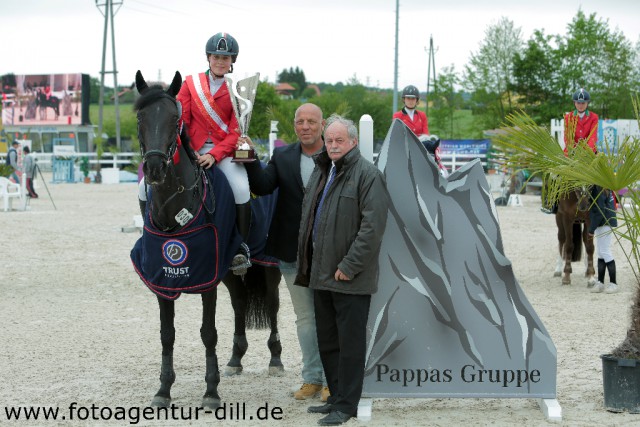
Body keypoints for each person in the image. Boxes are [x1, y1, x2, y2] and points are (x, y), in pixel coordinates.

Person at [296, 114, 389, 425]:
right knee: (329, 341)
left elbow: (372, 228)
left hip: (349, 277)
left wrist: (349, 265)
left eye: (340, 140)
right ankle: (335, 397)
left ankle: (346, 405)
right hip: (321, 275)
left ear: (353, 142)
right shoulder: (323, 170)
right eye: (330, 140)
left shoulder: (368, 175)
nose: (333, 145)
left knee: (349, 345)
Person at [139, 32, 250, 274]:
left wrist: (214, 155)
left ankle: (240, 246)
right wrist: (191, 152)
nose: (220, 61)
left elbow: (235, 130)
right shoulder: (190, 84)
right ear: (208, 57)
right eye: (216, 56)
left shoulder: (239, 89)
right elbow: (182, 121)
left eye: (226, 57)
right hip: (191, 147)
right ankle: (149, 236)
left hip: (223, 151)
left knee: (241, 188)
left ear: (233, 61)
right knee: (143, 187)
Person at [241, 103, 329, 401]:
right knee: (305, 319)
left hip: (330, 252)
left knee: (329, 316)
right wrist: (251, 157)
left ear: (322, 124)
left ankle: (334, 380)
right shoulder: (283, 155)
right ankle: (312, 379)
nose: (305, 126)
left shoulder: (335, 155)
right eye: (300, 121)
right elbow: (263, 187)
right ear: (294, 124)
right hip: (292, 253)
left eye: (311, 122)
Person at [541, 88, 599, 214]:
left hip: (589, 153)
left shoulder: (594, 117)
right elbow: (568, 137)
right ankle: (552, 204)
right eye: (578, 103)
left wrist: (586, 152)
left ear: (587, 103)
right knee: (555, 175)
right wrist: (575, 152)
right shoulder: (568, 117)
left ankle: (604, 206)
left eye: (583, 103)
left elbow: (593, 136)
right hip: (572, 152)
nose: (581, 105)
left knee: (603, 176)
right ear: (574, 103)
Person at [392, 85, 447, 177]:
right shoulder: (397, 116)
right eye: (408, 98)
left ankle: (438, 170)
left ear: (416, 100)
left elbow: (425, 132)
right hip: (405, 145)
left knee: (428, 142)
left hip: (421, 144)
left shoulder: (422, 115)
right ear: (404, 99)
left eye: (413, 99)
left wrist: (422, 140)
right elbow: (397, 134)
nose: (410, 101)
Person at [588, 185, 618, 294]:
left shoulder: (598, 188)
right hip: (603, 222)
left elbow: (599, 210)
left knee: (605, 252)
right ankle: (600, 283)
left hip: (605, 221)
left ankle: (614, 283)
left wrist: (591, 229)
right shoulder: (601, 186)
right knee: (600, 253)